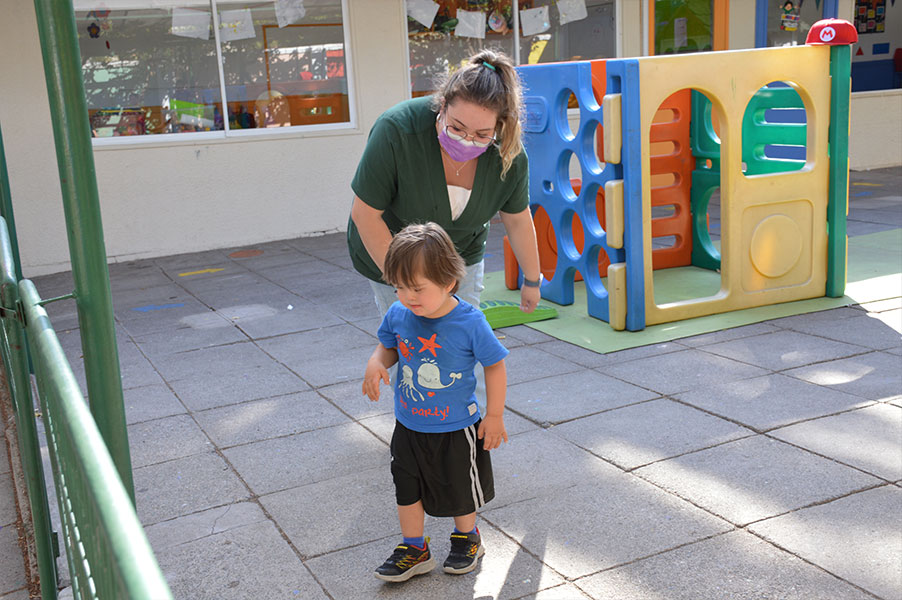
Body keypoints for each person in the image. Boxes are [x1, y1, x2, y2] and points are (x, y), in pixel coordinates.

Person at [362, 222, 509, 583]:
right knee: (406, 486)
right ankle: (414, 547)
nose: (407, 296)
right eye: (398, 287)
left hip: (456, 426)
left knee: (460, 487)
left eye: (416, 288)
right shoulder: (399, 314)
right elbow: (389, 345)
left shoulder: (469, 322)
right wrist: (376, 362)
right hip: (409, 424)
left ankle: (467, 538)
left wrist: (494, 415)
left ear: (448, 283)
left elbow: (495, 364)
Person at [347, 48, 542, 319]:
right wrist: (409, 286)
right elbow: (365, 215)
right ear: (442, 106)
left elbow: (518, 220)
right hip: (392, 254)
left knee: (462, 341)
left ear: (499, 128)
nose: (466, 139)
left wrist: (532, 280)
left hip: (460, 258)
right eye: (457, 127)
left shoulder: (508, 154)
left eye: (481, 135)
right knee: (410, 345)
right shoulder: (396, 130)